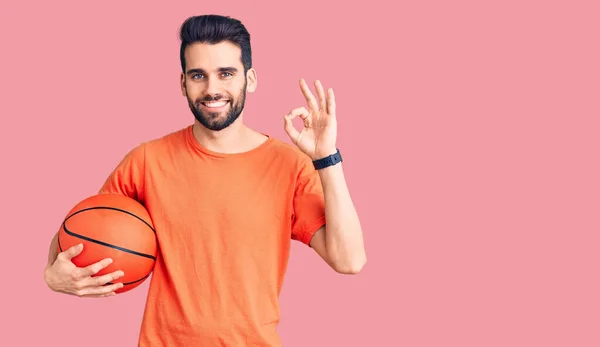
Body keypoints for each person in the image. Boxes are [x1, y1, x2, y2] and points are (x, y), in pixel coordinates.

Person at [44, 14, 366, 346]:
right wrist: (53, 275)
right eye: (199, 75)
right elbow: (83, 231)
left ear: (250, 79)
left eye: (226, 73)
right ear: (183, 83)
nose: (212, 89)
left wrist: (326, 158)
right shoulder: (146, 161)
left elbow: (350, 259)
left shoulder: (289, 165)